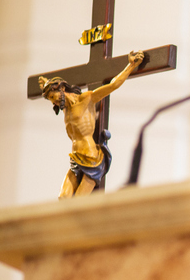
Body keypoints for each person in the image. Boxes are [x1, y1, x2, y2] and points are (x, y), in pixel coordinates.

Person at [39, 51, 144, 199]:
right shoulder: (65, 109)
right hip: (75, 158)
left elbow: (113, 85)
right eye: (50, 99)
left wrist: (131, 65)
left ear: (61, 88)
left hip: (91, 159)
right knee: (63, 198)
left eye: (52, 96)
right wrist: (46, 85)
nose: (53, 102)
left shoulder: (86, 99)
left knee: (79, 202)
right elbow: (53, 93)